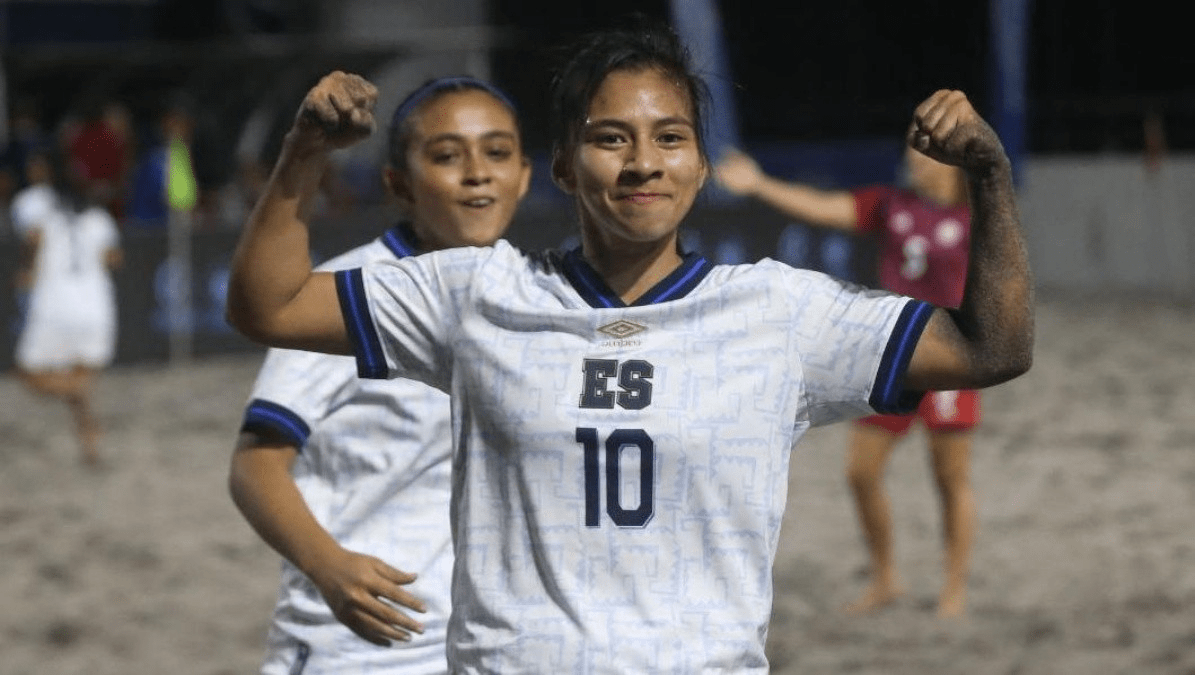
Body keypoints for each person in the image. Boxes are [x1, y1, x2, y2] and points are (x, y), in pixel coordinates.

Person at [224, 20, 1033, 672]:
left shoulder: (779, 312)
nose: (643, 161)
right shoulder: (474, 293)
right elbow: (271, 305)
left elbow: (988, 348)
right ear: (566, 168)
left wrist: (990, 176)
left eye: (670, 137)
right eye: (610, 138)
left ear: (701, 164)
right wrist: (301, 155)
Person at [228, 76, 532, 674]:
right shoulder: (347, 294)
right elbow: (255, 465)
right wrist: (329, 567)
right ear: (399, 184)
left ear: (524, 174)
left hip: (491, 645)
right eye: (446, 155)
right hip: (363, 644)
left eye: (497, 152)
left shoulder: (536, 296)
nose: (477, 172)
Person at [715, 142, 980, 618]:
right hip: (895, 355)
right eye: (911, 151)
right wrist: (758, 184)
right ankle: (886, 578)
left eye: (927, 154)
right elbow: (823, 208)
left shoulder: (975, 215)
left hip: (949, 361)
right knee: (860, 472)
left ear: (954, 163)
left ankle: (953, 587)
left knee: (949, 477)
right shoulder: (891, 205)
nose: (914, 160)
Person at [11, 145, 122, 467]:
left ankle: (78, 398)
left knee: (28, 374)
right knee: (81, 377)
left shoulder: (41, 213)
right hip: (95, 305)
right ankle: (89, 441)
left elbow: (32, 241)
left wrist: (28, 270)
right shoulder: (99, 219)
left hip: (54, 302)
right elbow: (114, 258)